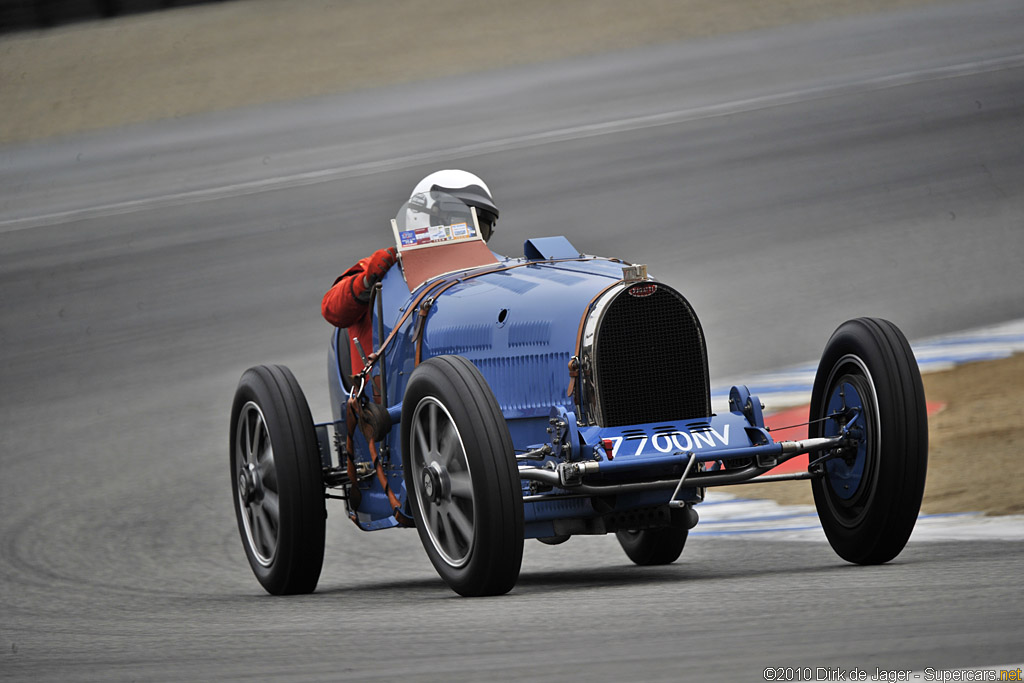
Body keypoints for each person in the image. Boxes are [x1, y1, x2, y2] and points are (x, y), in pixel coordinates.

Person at [321, 169, 500, 375]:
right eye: (457, 221)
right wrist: (366, 281)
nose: (467, 230)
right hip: (385, 387)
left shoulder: (488, 269)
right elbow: (332, 310)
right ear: (423, 219)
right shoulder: (380, 266)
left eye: (477, 224)